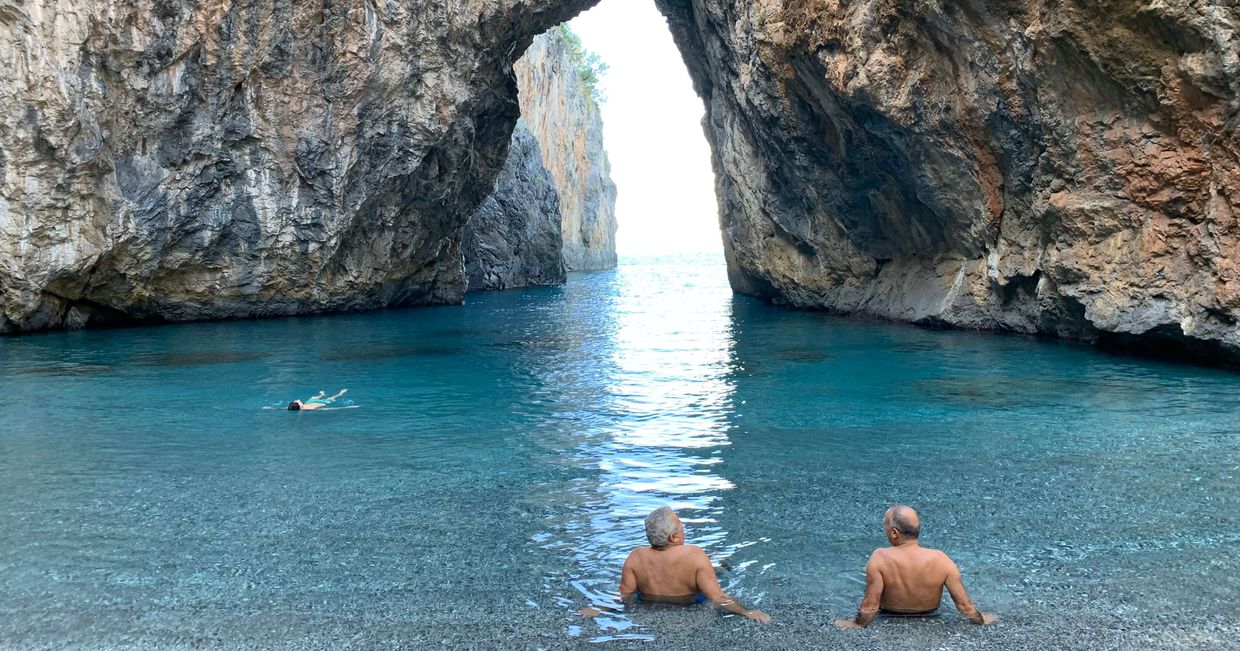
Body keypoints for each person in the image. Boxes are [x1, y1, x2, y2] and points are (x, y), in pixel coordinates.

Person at [582, 506, 770, 622]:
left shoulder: (635, 557)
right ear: (674, 536)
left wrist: (597, 608)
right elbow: (717, 597)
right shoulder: (695, 554)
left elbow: (624, 594)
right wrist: (747, 612)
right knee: (715, 568)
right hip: (691, 603)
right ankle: (718, 567)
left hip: (649, 602)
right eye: (680, 524)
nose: (683, 526)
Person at [835, 505, 997, 628]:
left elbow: (871, 605)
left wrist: (857, 625)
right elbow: (964, 605)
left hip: (889, 615)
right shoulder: (941, 558)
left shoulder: (880, 557)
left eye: (885, 527)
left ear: (894, 533)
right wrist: (980, 621)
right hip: (930, 615)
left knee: (865, 573)